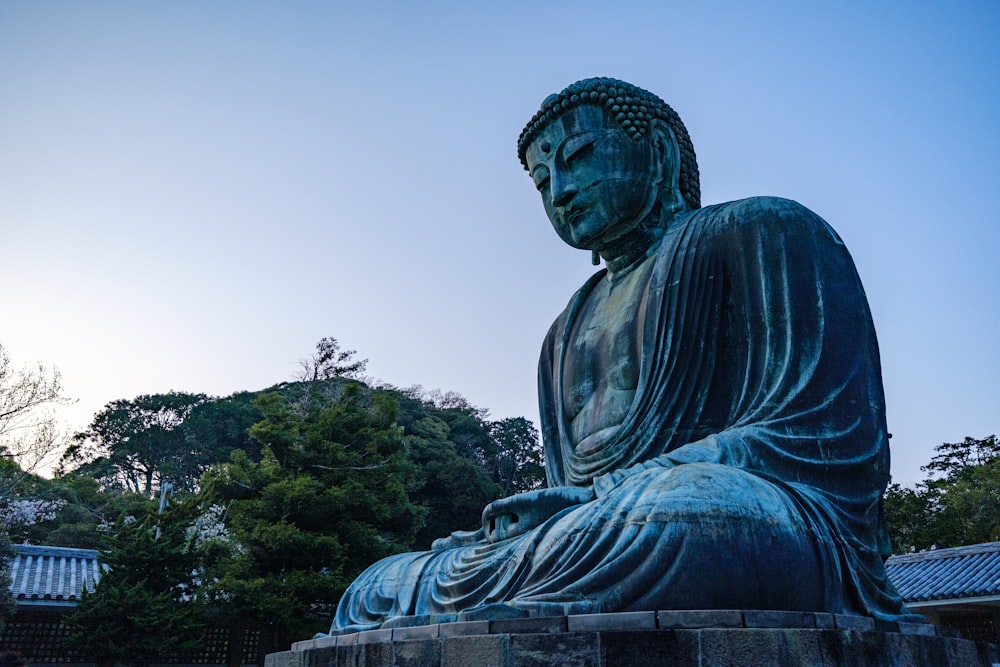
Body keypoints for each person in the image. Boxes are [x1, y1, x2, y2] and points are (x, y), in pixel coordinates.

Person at [329, 77, 916, 633]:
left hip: (749, 517)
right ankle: (525, 588)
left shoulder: (765, 229)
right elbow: (569, 491)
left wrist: (606, 495)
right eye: (541, 182)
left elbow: (826, 437)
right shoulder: (563, 330)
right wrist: (553, 515)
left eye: (581, 157)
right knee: (375, 585)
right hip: (593, 528)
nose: (560, 191)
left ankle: (550, 582)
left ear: (658, 153)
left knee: (688, 518)